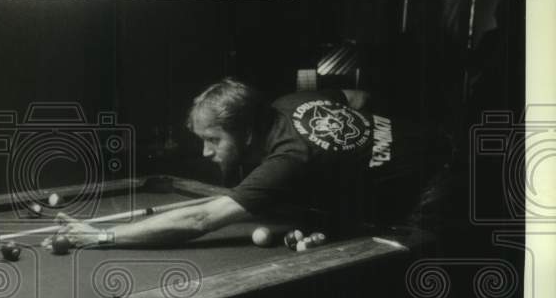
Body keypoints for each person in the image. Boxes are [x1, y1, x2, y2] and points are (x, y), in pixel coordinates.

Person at [48, 77, 453, 250]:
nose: (207, 153)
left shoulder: (287, 158)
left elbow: (200, 221)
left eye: (213, 140)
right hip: (433, 140)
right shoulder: (286, 105)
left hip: (445, 181)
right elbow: (357, 97)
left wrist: (103, 236)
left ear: (245, 133)